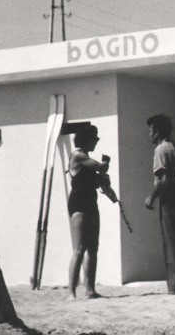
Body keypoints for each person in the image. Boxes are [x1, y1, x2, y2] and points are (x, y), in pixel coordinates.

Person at [144, 113, 175, 295]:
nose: (149, 135)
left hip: (171, 200)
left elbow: (163, 179)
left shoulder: (161, 150)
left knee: (172, 245)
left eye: (151, 131)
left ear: (156, 131)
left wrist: (151, 197)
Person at [67, 124, 108, 299]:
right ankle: (71, 292)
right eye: (95, 139)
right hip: (79, 203)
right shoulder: (78, 155)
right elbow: (100, 167)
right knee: (79, 248)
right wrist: (107, 162)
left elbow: (97, 178)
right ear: (87, 139)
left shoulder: (86, 158)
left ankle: (90, 289)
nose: (96, 142)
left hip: (91, 201)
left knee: (93, 247)